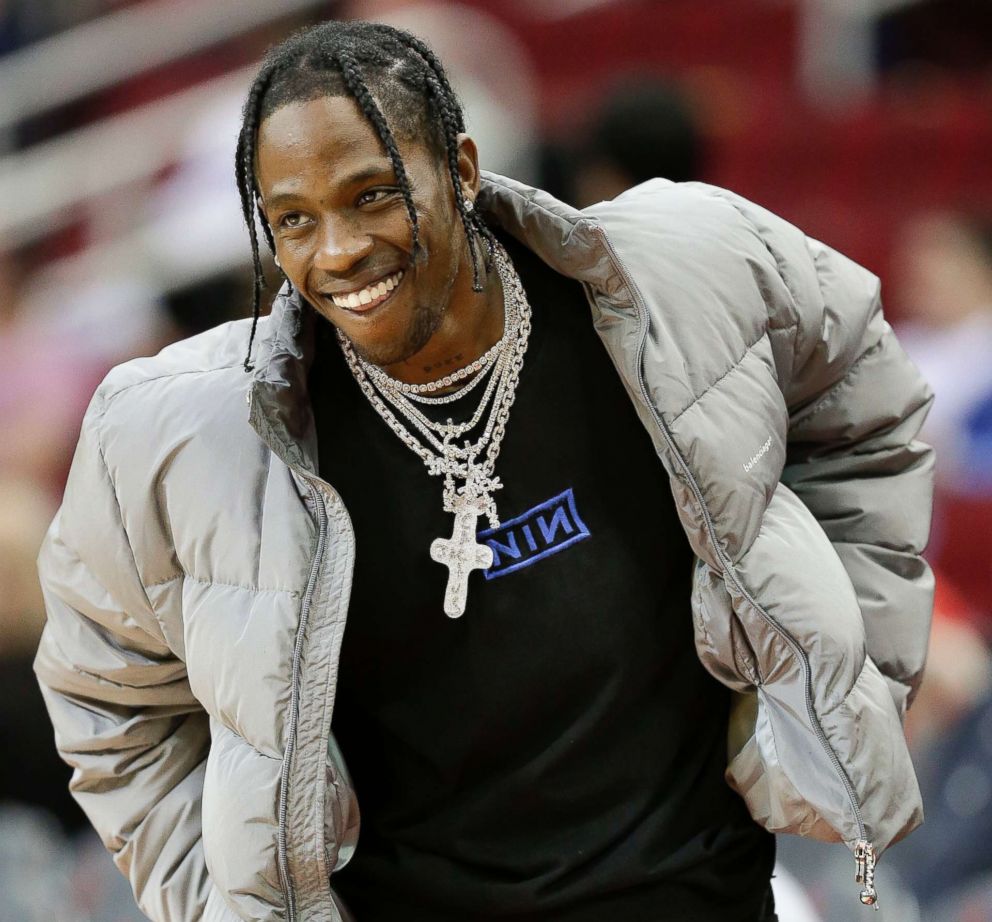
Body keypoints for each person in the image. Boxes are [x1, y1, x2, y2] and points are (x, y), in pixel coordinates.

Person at [33, 20, 935, 922]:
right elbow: (106, 700)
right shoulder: (183, 433)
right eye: (293, 220)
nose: (337, 251)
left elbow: (864, 396)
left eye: (373, 195)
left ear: (461, 169)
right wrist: (230, 909)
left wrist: (845, 677)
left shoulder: (674, 274)